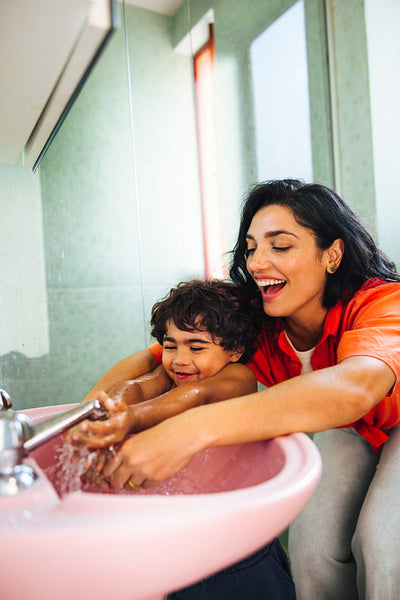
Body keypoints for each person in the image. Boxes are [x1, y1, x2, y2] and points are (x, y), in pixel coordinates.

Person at [78, 180, 400, 599]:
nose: (258, 262)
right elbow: (155, 359)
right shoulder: (256, 320)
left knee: (380, 541)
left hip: (367, 408)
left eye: (280, 246)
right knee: (313, 547)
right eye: (251, 248)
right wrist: (93, 413)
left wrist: (188, 430)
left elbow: (355, 387)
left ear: (332, 255)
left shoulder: (383, 304)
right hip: (356, 424)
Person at [71, 278, 296, 599]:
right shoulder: (178, 370)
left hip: (240, 555)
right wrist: (109, 413)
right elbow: (137, 387)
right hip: (184, 552)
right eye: (171, 344)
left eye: (196, 347)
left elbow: (196, 396)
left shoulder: (238, 376)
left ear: (234, 349)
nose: (179, 359)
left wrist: (132, 418)